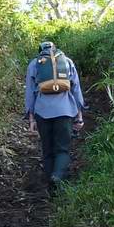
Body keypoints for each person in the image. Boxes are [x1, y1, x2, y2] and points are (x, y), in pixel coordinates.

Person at [24, 40, 86, 195]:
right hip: (65, 112)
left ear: (40, 51)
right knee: (62, 149)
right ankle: (58, 177)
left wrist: (31, 120)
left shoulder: (34, 64)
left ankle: (51, 188)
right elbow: (76, 90)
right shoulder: (68, 62)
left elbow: (30, 94)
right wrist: (79, 116)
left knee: (47, 149)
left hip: (42, 112)